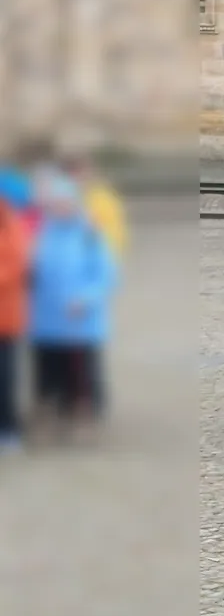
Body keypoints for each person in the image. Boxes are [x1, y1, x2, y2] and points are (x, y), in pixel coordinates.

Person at [28, 174, 117, 433]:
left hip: (80, 321)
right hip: (46, 322)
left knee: (80, 376)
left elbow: (106, 275)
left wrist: (86, 298)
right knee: (48, 374)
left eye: (65, 203)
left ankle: (84, 419)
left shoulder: (89, 235)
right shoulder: (43, 234)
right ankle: (51, 416)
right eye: (56, 203)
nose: (60, 208)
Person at [0, 196, 25, 449]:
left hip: (4, 320)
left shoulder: (9, 224)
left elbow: (14, 264)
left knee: (4, 379)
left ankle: (8, 429)